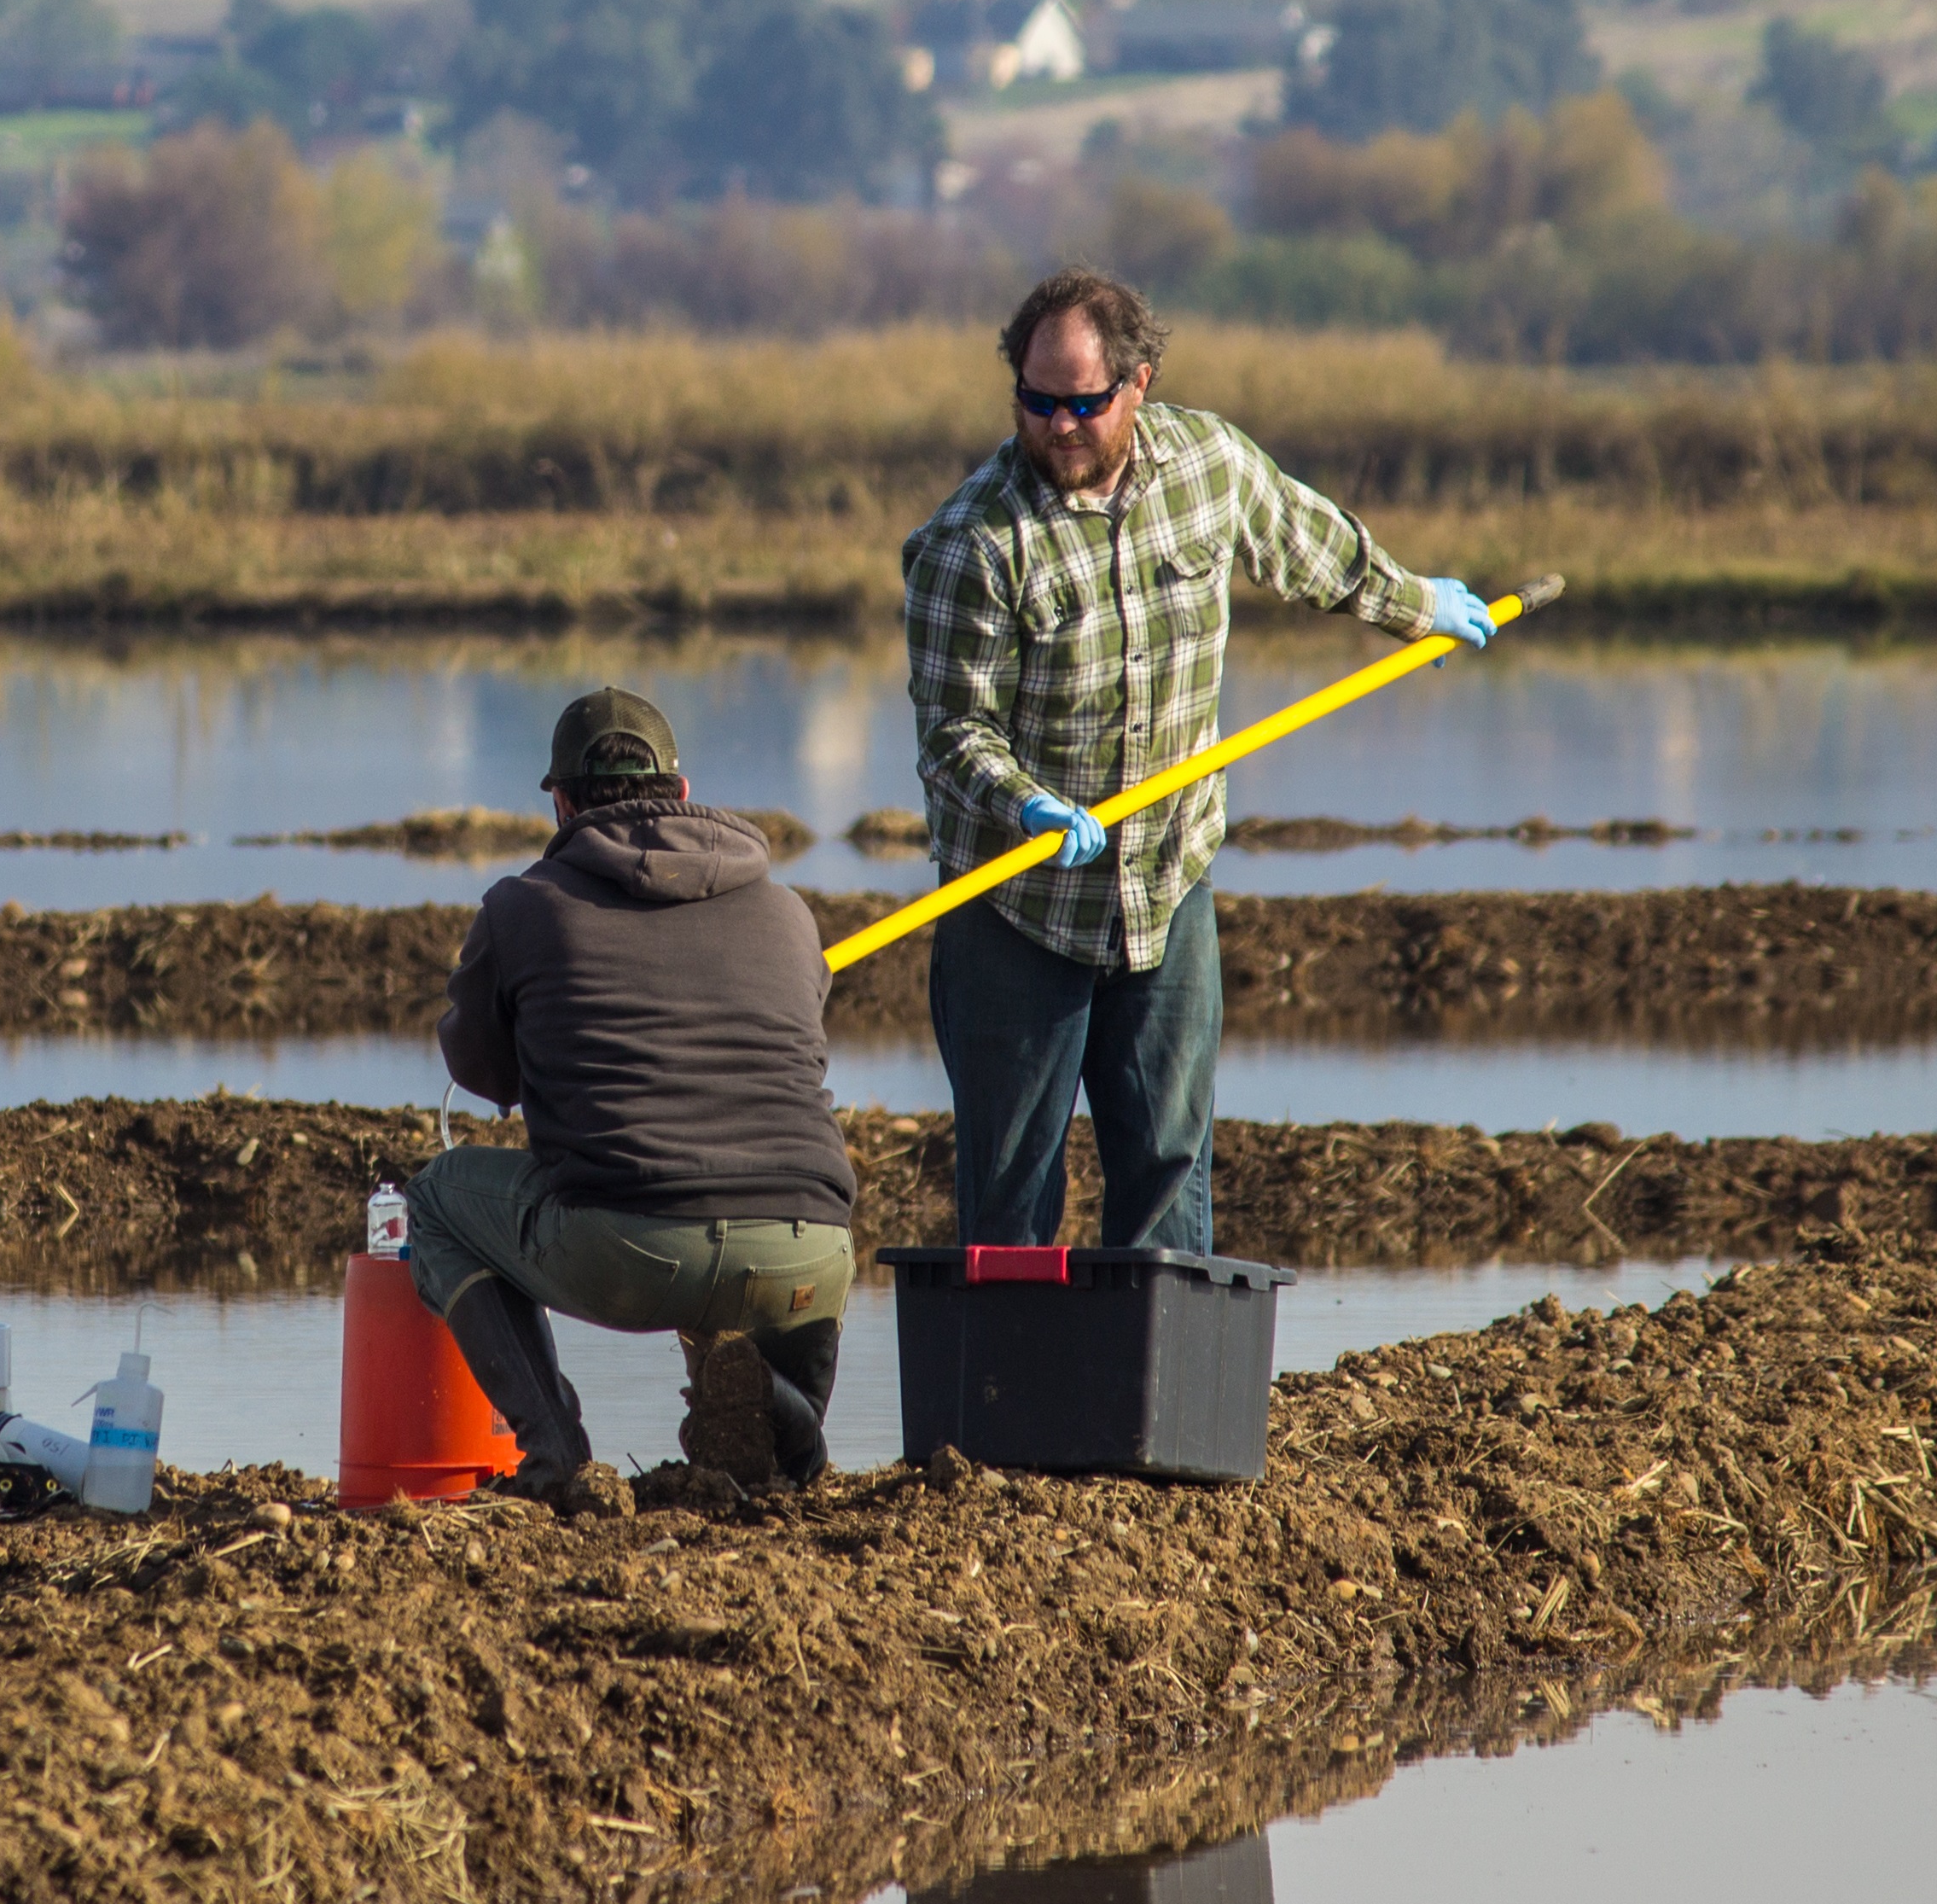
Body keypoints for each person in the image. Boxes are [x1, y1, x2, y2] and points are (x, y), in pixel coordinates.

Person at [905, 267, 1498, 1253]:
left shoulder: (1206, 465)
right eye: (1036, 399)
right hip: (1017, 907)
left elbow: (1310, 547)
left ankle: (1151, 1400)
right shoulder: (971, 544)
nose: (1057, 424)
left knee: (1167, 1175)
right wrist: (1025, 806)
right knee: (1010, 1201)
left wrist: (1414, 604)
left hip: (1164, 881)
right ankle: (1006, 1402)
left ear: (1138, 383)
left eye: (1084, 402)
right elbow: (953, 734)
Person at [409, 686, 858, 1511]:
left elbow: (484, 1072)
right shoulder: (789, 912)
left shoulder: (523, 907)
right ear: (683, 792)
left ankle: (557, 1456)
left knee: (434, 1200)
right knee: (772, 1275)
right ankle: (783, 1432)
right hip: (810, 1250)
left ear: (562, 802)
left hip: (630, 1251)